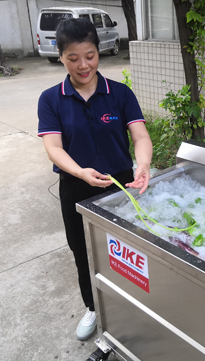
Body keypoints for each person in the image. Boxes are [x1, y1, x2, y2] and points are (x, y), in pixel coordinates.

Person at [37, 18, 152, 341]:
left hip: (122, 186)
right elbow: (53, 148)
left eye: (89, 55)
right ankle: (93, 307)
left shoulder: (119, 93)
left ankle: (133, 307)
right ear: (60, 56)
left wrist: (142, 165)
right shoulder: (51, 99)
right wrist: (79, 172)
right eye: (73, 58)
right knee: (83, 250)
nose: (83, 65)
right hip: (76, 186)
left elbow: (140, 136)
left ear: (98, 51)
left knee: (127, 251)